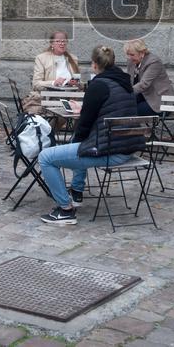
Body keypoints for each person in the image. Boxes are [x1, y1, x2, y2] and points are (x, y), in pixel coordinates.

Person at [38, 45, 143, 226]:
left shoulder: (98, 85)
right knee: (79, 144)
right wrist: (84, 110)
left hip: (110, 151)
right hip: (127, 147)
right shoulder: (125, 83)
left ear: (95, 65)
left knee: (46, 157)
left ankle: (66, 210)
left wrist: (82, 114)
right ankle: (76, 192)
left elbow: (84, 126)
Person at [23, 31, 80, 115]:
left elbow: (78, 80)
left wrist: (74, 82)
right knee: (56, 114)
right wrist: (54, 82)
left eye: (64, 41)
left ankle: (55, 126)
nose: (62, 43)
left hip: (68, 99)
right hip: (48, 99)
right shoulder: (42, 58)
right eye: (58, 41)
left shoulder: (73, 59)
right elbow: (36, 83)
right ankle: (52, 127)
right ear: (51, 44)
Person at [125, 39, 173, 117]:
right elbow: (129, 81)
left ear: (142, 53)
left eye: (132, 54)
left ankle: (136, 129)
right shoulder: (132, 61)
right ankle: (135, 129)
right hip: (143, 97)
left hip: (159, 101)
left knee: (130, 111)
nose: (129, 57)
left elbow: (144, 84)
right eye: (128, 54)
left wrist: (125, 94)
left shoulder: (154, 62)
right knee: (120, 107)